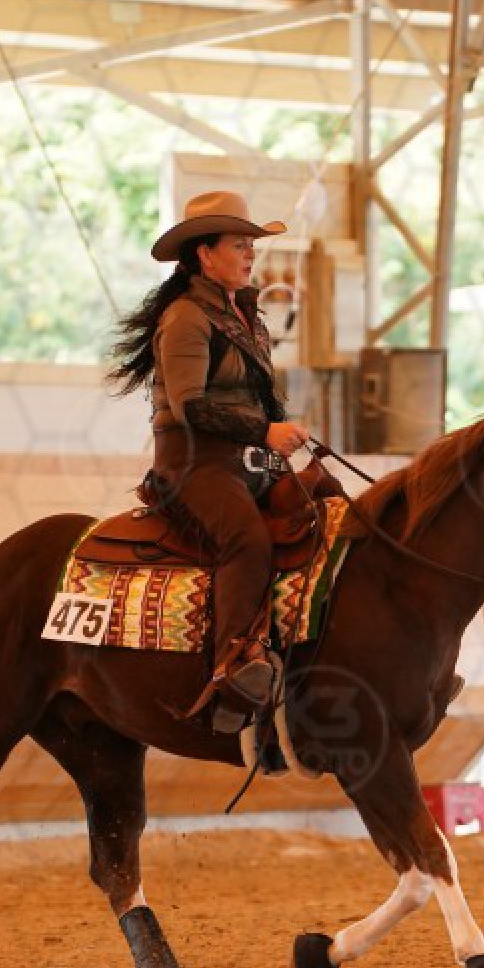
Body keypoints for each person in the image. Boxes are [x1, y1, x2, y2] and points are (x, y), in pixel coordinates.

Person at [105, 190, 306, 734]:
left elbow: (256, 398)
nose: (250, 254)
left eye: (250, 245)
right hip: (194, 467)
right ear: (205, 254)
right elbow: (190, 406)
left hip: (250, 461)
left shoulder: (246, 316)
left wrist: (279, 431)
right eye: (240, 245)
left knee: (325, 508)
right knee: (247, 539)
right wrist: (265, 430)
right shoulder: (185, 317)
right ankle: (233, 666)